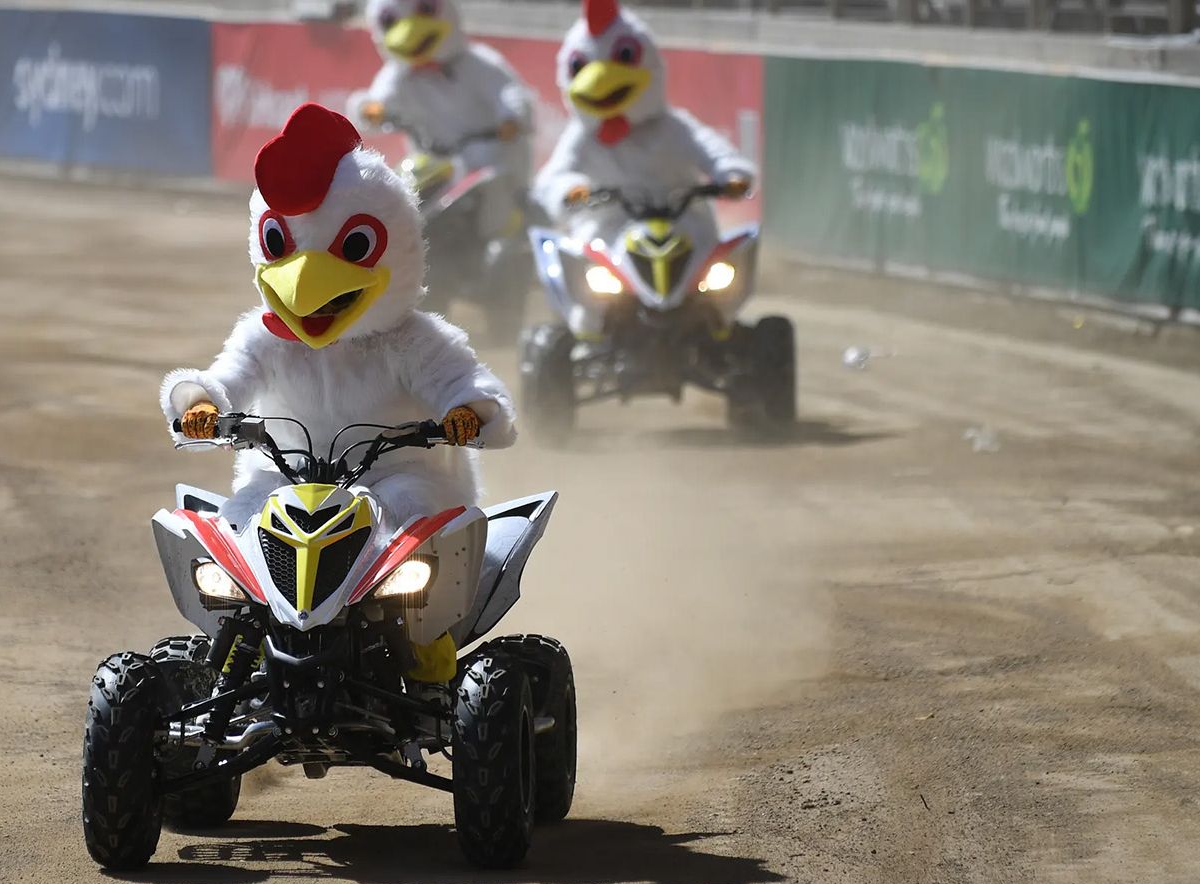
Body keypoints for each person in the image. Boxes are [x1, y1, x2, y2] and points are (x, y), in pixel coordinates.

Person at [159, 104, 517, 677]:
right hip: (285, 480)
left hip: (390, 480)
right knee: (238, 523)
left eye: (348, 250)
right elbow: (228, 377)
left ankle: (422, 648)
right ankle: (232, 652)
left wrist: (470, 412)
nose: (307, 285)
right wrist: (201, 404)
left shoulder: (411, 339)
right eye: (284, 246)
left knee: (411, 508)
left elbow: (462, 382)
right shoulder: (264, 338)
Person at [532, 0, 754, 281]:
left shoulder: (673, 126)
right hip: (608, 231)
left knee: (717, 278)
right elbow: (553, 177)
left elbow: (712, 150)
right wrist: (571, 190)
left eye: (624, 56)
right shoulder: (582, 136)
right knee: (586, 286)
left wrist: (731, 175)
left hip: (681, 226)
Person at [348, 0, 534, 249]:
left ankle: (500, 245)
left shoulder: (477, 63)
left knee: (493, 193)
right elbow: (378, 101)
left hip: (485, 158)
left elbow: (509, 92)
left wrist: (512, 118)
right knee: (402, 189)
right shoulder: (398, 74)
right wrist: (371, 110)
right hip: (432, 159)